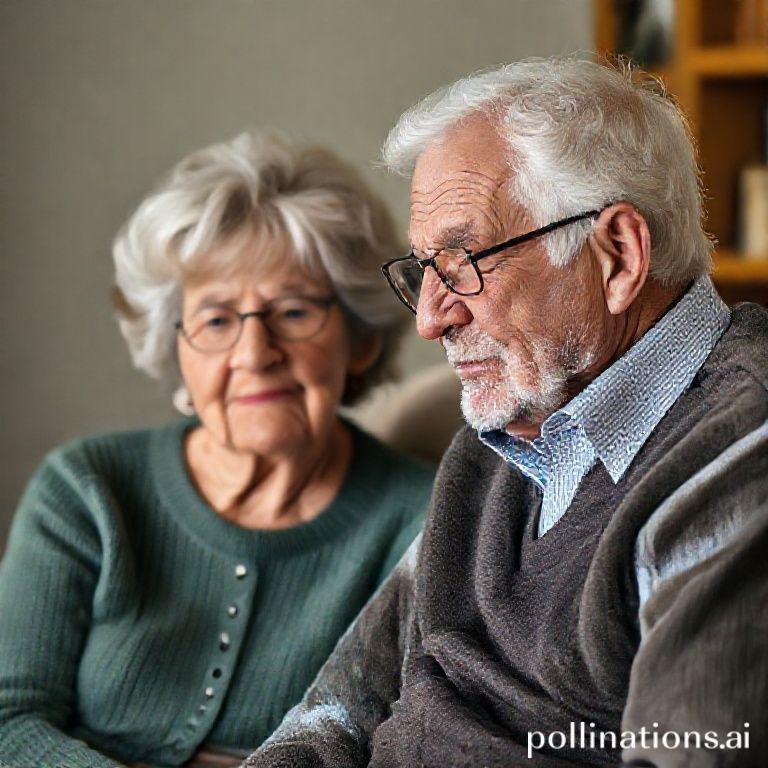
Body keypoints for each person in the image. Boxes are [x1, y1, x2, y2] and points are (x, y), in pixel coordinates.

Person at [243, 57, 768, 768]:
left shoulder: (742, 452)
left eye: (464, 262)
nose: (430, 319)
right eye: (422, 271)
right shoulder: (505, 433)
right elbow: (332, 715)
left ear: (617, 255)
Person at [0, 132, 435, 768]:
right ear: (175, 349)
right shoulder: (88, 487)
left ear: (359, 340)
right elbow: (10, 720)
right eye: (216, 320)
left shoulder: (423, 521)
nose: (254, 355)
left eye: (292, 312)